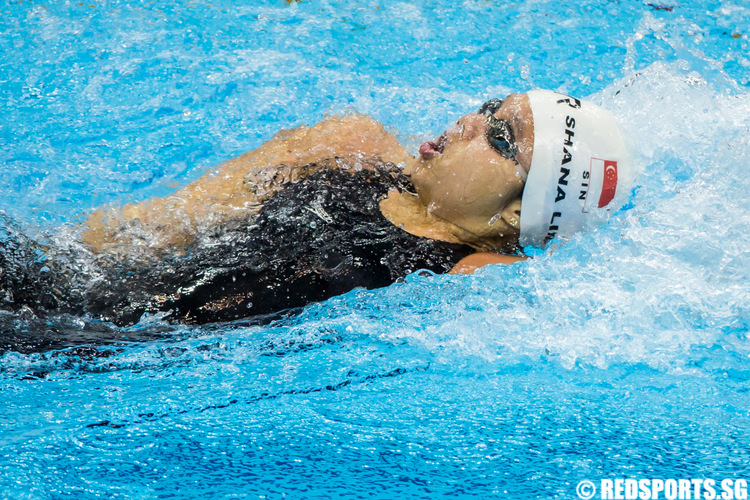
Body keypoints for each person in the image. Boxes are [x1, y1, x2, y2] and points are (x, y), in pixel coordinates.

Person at [0, 90, 631, 327]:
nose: (468, 121)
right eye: (491, 106)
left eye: (497, 140)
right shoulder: (348, 146)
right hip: (72, 291)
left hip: (91, 350)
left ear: (514, 215)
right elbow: (144, 228)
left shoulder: (474, 271)